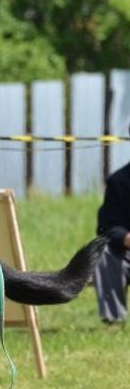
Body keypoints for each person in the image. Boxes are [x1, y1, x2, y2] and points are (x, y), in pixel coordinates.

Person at [94, 128, 130, 325]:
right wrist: (126, 237)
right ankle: (114, 320)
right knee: (104, 253)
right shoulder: (119, 182)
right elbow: (107, 227)